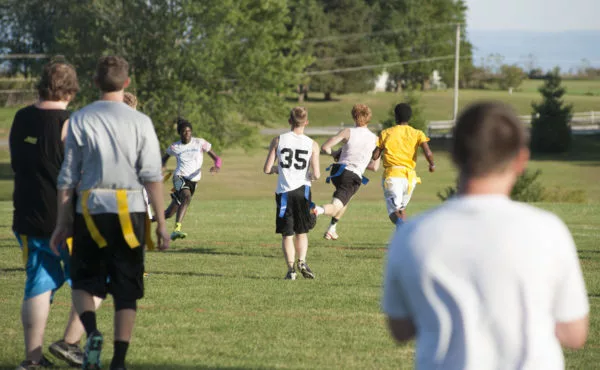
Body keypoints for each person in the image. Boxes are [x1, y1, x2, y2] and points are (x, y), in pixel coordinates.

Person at [382, 101, 589, 369]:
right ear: (521, 160)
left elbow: (400, 329)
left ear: (455, 156)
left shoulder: (410, 235)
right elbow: (574, 334)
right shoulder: (550, 231)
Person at [50, 55, 169, 370]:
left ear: (94, 82)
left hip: (90, 209)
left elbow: (67, 176)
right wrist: (161, 223)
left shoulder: (81, 118)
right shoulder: (140, 121)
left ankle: (91, 332)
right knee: (126, 288)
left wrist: (62, 222)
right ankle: (119, 359)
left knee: (83, 281)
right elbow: (153, 176)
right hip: (131, 209)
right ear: (126, 83)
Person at [10, 59, 96, 369]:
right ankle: (69, 342)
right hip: (65, 217)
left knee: (38, 282)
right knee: (97, 277)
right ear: (71, 90)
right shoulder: (70, 123)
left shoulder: (20, 118)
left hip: (27, 214)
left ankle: (32, 360)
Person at [263, 107, 320, 280]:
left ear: (290, 121)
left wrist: (276, 169)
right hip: (303, 191)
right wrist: (310, 175)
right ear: (306, 122)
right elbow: (316, 174)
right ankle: (302, 261)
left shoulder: (278, 140)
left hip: (284, 192)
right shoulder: (312, 144)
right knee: (301, 231)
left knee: (287, 233)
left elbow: (266, 169)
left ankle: (291, 270)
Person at [312, 104, 379, 240]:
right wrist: (360, 162)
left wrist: (335, 154)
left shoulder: (348, 131)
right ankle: (317, 210)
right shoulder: (376, 139)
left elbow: (325, 147)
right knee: (336, 207)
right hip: (352, 176)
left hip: (337, 171)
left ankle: (332, 228)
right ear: (369, 118)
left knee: (345, 199)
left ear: (354, 116)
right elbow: (374, 167)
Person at [372, 103, 434, 226]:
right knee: (401, 209)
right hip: (410, 179)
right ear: (409, 117)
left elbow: (375, 156)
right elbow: (428, 152)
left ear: (395, 116)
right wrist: (432, 164)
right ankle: (404, 237)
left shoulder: (386, 133)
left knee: (393, 212)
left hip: (393, 176)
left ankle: (406, 231)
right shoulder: (417, 133)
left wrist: (376, 149)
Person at [161, 118, 222, 240]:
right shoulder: (175, 147)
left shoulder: (200, 143)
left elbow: (217, 159)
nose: (187, 133)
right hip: (179, 177)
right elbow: (163, 159)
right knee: (186, 197)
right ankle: (176, 230)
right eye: (184, 131)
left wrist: (216, 167)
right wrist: (162, 168)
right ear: (180, 133)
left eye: (189, 131)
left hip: (193, 181)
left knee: (169, 213)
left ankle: (144, 220)